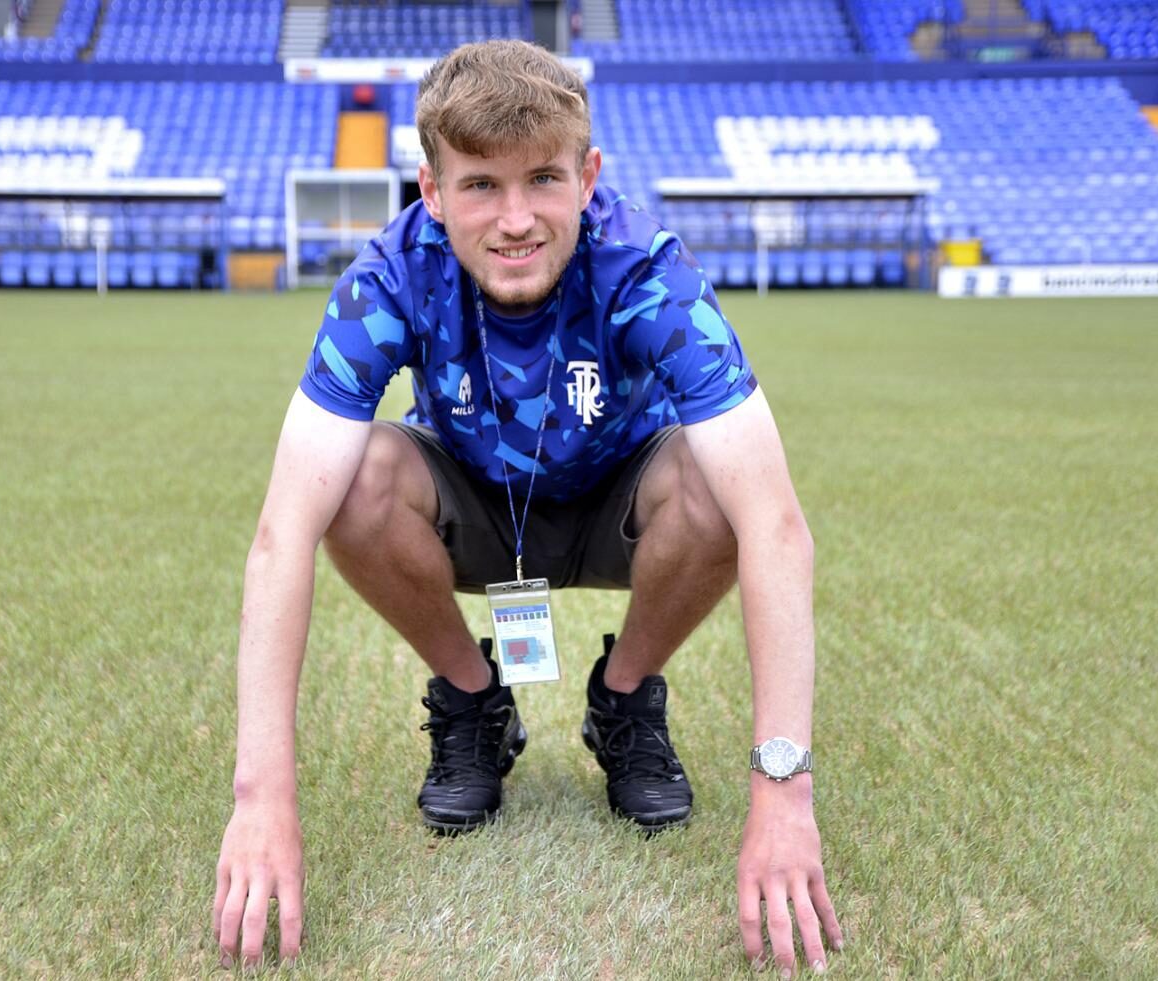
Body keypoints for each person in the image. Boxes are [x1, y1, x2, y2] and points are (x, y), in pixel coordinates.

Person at [213, 39, 843, 976]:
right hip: (474, 507)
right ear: (430, 189)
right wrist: (261, 796)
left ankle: (623, 699)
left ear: (588, 176)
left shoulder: (644, 269)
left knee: (724, 490)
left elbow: (778, 527)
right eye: (480, 186)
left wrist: (783, 788)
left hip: (624, 504)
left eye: (543, 178)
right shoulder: (390, 275)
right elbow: (279, 536)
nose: (516, 219)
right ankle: (473, 700)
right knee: (351, 481)